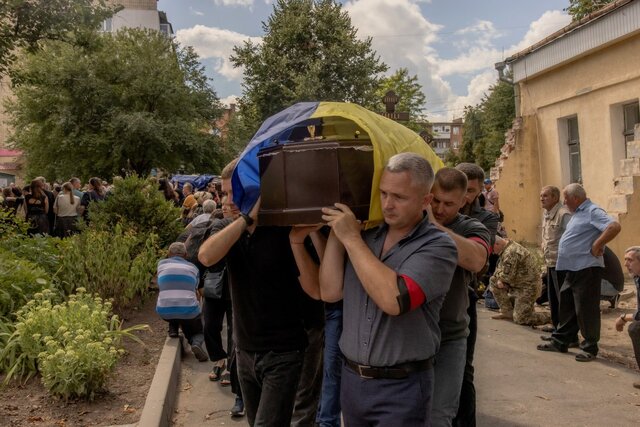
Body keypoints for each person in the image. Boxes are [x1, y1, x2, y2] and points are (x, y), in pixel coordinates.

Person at [318, 153, 457, 426]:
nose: (387, 204)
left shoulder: (438, 246)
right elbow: (330, 292)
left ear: (425, 201)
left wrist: (350, 239)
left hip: (402, 388)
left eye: (399, 197)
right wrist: (338, 233)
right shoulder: (367, 235)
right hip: (353, 381)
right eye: (383, 193)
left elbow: (395, 300)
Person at [198, 159, 309, 427]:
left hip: (283, 352)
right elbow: (206, 256)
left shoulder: (283, 229)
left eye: (234, 192)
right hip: (245, 349)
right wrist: (245, 219)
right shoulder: (228, 229)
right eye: (223, 193)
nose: (227, 200)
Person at [428, 168, 490, 427]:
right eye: (435, 201)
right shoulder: (410, 221)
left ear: (464, 200)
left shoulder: (471, 226)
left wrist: (433, 226)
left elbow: (476, 259)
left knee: (440, 415)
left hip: (450, 335)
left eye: (449, 203)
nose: (440, 208)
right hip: (412, 334)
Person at [538, 183, 621, 362]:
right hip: (573, 267)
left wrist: (597, 244)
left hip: (587, 267)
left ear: (576, 198)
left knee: (586, 309)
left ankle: (590, 347)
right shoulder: (578, 213)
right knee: (567, 304)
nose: (564, 201)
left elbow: (614, 226)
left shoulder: (592, 210)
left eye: (566, 198)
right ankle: (561, 341)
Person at [453, 162, 500, 427]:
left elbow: (480, 261)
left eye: (470, 190)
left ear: (481, 188)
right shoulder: (443, 210)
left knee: (464, 371)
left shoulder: (486, 219)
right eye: (461, 188)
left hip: (467, 297)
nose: (466, 196)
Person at [156, 242, 208, 362]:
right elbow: (195, 291)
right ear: (185, 255)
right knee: (198, 329)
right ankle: (195, 342)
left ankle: (173, 329)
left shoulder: (161, 265)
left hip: (164, 312)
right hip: (188, 313)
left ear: (169, 254)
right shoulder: (193, 268)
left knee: (171, 298)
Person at [490, 236, 550, 326]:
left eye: (492, 249)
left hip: (528, 288)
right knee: (493, 280)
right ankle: (507, 312)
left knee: (521, 319)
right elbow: (499, 271)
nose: (493, 253)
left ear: (497, 244)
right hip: (517, 285)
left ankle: (550, 316)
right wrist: (499, 278)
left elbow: (507, 276)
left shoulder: (511, 252)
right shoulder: (506, 248)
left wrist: (500, 279)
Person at [539, 185, 571, 333]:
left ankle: (566, 332)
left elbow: (571, 238)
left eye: (545, 196)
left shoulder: (563, 214)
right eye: (541, 196)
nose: (541, 198)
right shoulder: (547, 213)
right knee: (553, 298)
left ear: (555, 198)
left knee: (563, 300)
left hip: (562, 263)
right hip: (550, 261)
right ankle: (556, 327)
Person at [616, 246, 640, 389]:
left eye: (630, 260)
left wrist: (624, 317)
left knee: (636, 328)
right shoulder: (637, 278)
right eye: (625, 260)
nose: (626, 264)